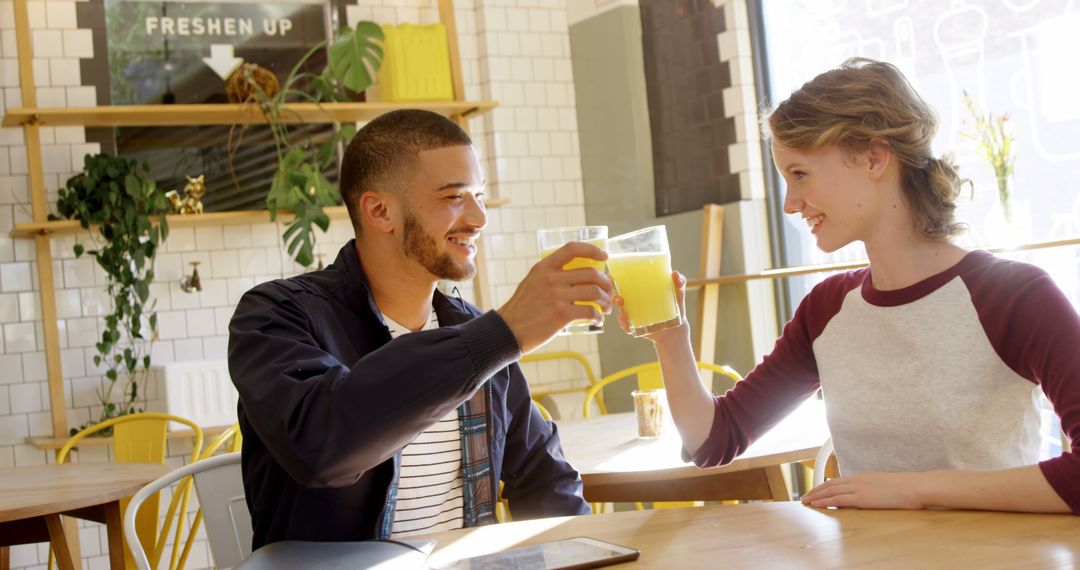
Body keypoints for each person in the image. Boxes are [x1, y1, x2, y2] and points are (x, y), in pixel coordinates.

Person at [618, 58, 1079, 514]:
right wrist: (670, 339)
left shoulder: (1014, 297)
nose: (790, 204)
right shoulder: (827, 309)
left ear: (874, 158)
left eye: (799, 174)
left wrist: (914, 491)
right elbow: (714, 440)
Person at [228, 109, 611, 548]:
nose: (479, 218)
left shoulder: (475, 331)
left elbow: (546, 482)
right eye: (454, 197)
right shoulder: (276, 314)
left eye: (480, 196)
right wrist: (503, 334)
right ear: (380, 210)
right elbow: (321, 447)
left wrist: (590, 552)